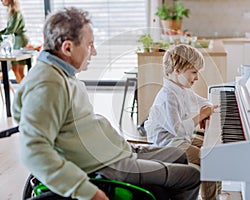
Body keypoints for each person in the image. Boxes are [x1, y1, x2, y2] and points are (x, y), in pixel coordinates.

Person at [12, 7, 201, 200]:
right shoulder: (47, 85)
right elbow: (34, 152)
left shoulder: (63, 74)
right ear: (67, 48)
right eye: (89, 45)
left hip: (113, 151)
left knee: (180, 156)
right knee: (192, 176)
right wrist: (87, 191)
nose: (94, 52)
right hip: (107, 165)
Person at [144, 44, 220, 200]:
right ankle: (210, 197)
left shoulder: (182, 88)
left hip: (180, 139)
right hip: (168, 144)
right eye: (193, 72)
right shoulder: (168, 97)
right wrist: (201, 115)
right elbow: (177, 130)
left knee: (214, 150)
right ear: (177, 70)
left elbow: (201, 101)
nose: (197, 77)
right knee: (209, 159)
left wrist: (209, 106)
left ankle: (217, 192)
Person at [0, 0, 29, 83]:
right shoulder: (12, 13)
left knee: (19, 70)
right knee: (15, 69)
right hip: (17, 41)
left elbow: (10, 30)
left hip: (20, 41)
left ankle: (25, 92)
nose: (1, 1)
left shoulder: (16, 13)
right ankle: (23, 92)